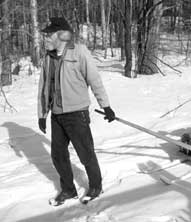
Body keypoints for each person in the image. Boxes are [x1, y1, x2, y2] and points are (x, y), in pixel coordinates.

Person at [37, 17, 115, 206]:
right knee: (58, 155)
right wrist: (42, 114)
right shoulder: (48, 57)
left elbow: (94, 79)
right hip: (57, 115)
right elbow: (44, 87)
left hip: (76, 113)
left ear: (61, 35)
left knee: (85, 152)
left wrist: (106, 106)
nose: (45, 38)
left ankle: (95, 186)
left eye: (49, 34)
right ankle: (69, 190)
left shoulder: (79, 52)